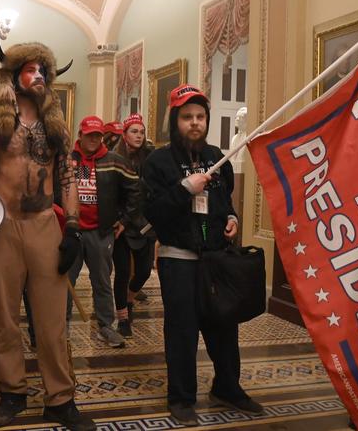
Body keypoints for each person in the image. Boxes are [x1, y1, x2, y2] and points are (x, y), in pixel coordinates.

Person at [0, 38, 95, 430]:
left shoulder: (55, 125)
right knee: (4, 316)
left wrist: (72, 228)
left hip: (44, 226)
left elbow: (68, 175)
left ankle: (60, 398)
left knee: (52, 320)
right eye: (31, 69)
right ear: (15, 74)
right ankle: (12, 393)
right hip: (2, 225)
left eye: (43, 70)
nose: (38, 75)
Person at [141, 84, 263, 426]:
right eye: (186, 117)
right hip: (178, 259)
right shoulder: (158, 163)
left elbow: (224, 201)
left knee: (225, 325)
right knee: (182, 330)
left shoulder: (216, 157)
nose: (194, 123)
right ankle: (181, 398)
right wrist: (184, 189)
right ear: (174, 121)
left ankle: (227, 387)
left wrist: (233, 219)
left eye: (200, 117)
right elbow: (153, 213)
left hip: (216, 260)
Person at [68, 115, 141, 349]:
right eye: (89, 135)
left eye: (98, 135)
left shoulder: (115, 161)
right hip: (71, 232)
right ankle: (61, 326)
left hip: (101, 232)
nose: (94, 139)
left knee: (101, 280)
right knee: (65, 281)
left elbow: (136, 191)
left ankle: (106, 327)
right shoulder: (68, 160)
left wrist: (124, 220)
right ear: (80, 135)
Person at [111, 113, 155, 338]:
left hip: (145, 224)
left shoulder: (151, 157)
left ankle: (129, 299)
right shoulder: (115, 158)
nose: (139, 136)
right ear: (124, 134)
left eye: (141, 131)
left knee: (144, 272)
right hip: (121, 223)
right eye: (134, 131)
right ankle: (123, 317)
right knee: (122, 272)